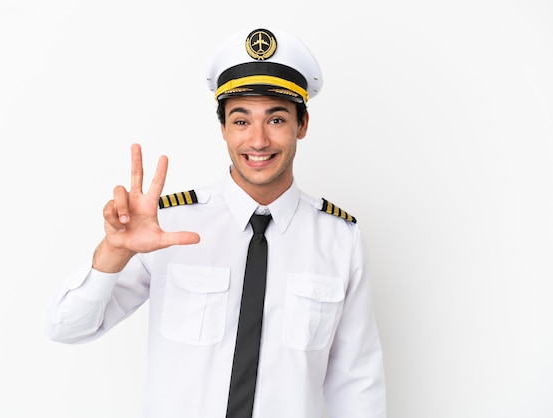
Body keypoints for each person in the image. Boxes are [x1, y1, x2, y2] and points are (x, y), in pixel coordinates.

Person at [45, 27, 386, 418]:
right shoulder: (166, 227)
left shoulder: (340, 240)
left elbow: (357, 383)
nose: (258, 140)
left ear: (302, 124)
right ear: (222, 127)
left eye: (276, 119)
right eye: (241, 121)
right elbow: (65, 327)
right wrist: (113, 253)